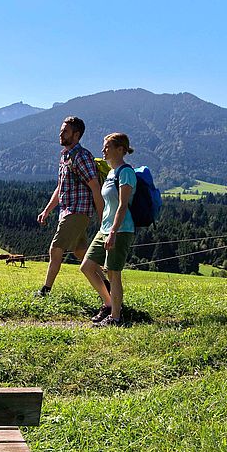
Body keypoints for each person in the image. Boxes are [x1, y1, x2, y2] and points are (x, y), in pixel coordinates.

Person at [35, 116, 105, 297]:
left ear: (76, 134)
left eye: (65, 131)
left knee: (55, 248)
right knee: (81, 252)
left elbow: (95, 187)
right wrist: (47, 210)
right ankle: (108, 285)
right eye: (61, 130)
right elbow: (60, 187)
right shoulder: (65, 156)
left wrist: (102, 218)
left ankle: (45, 290)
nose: (60, 133)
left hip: (78, 211)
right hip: (67, 211)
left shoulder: (82, 156)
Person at [81, 132, 136, 327]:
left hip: (120, 230)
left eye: (107, 147)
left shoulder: (126, 172)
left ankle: (116, 317)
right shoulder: (111, 172)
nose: (103, 150)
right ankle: (109, 304)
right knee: (87, 266)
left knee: (113, 273)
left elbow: (122, 206)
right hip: (105, 229)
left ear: (120, 150)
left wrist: (113, 232)